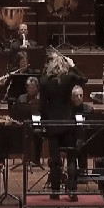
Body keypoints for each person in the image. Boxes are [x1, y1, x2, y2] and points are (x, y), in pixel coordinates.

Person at [41, 52, 88, 200]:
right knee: (71, 158)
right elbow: (84, 79)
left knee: (55, 161)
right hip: (68, 123)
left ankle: (55, 192)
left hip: (52, 124)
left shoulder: (45, 81)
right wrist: (73, 66)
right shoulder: (69, 78)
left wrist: (43, 122)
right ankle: (72, 191)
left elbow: (42, 105)